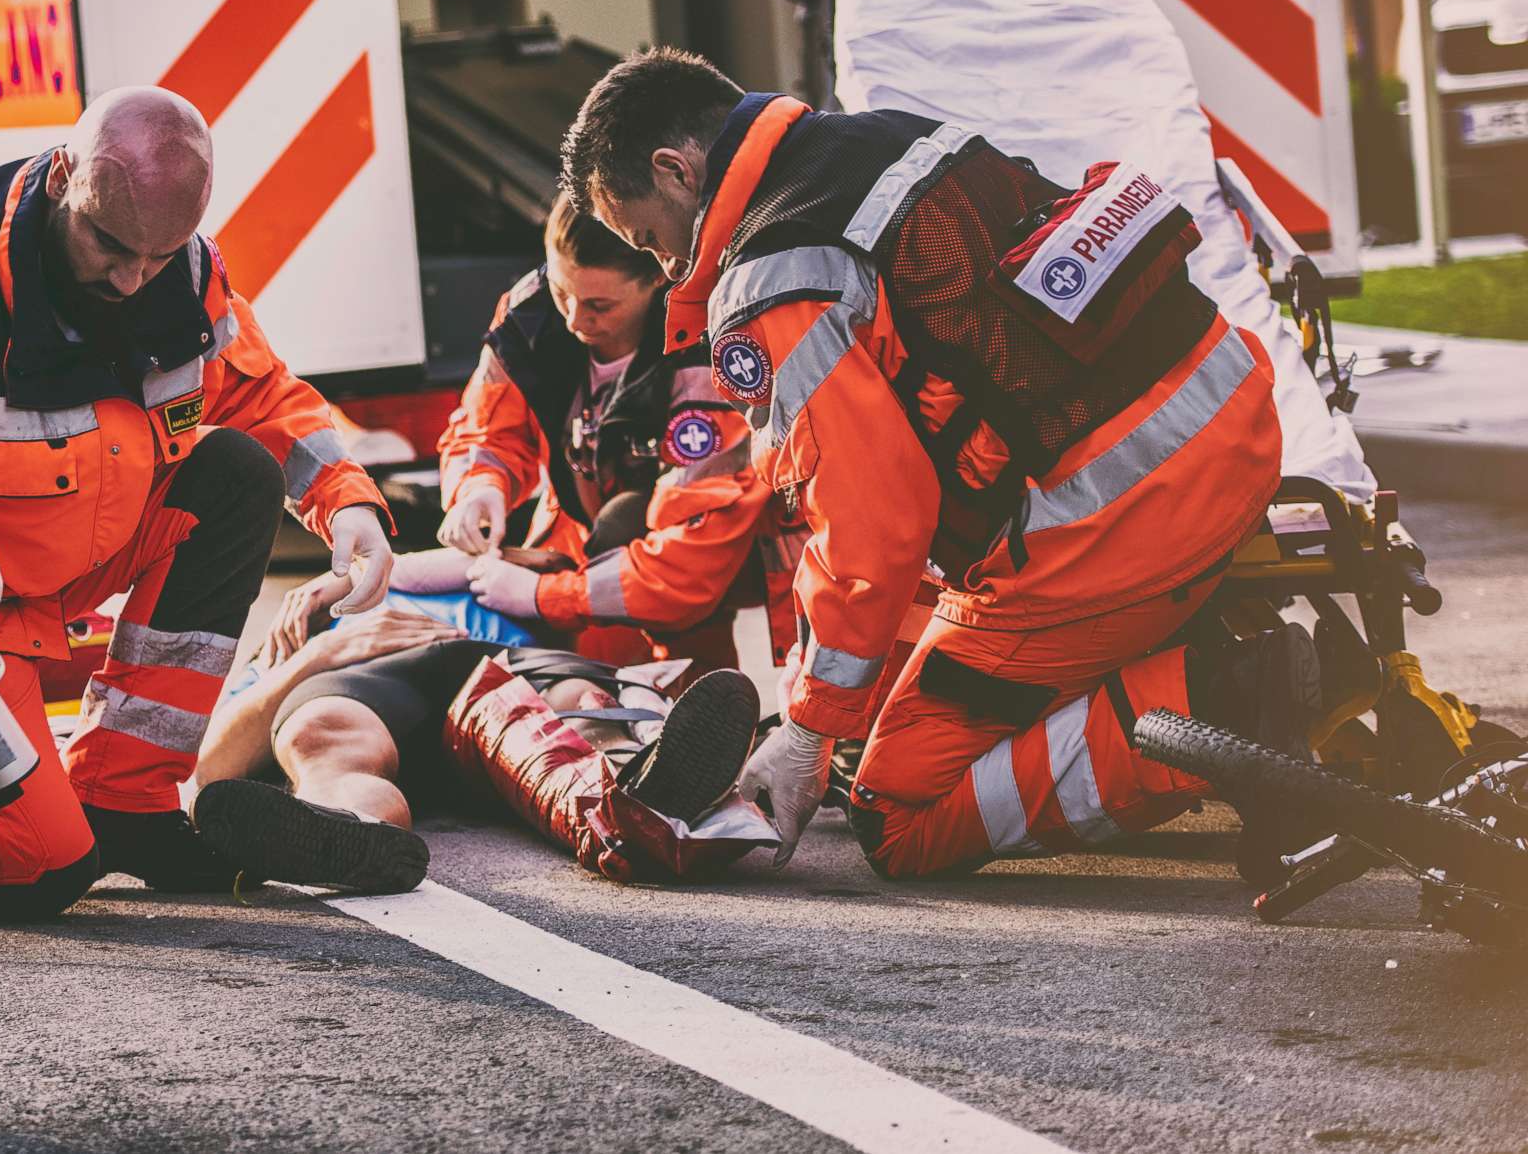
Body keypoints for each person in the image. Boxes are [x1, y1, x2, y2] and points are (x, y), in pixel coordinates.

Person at [557, 48, 1371, 878]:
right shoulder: (896, 139)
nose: (665, 269)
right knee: (901, 675)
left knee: (898, 812)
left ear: (676, 168)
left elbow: (872, 526)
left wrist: (806, 732)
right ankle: (1254, 688)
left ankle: (1234, 701)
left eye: (650, 240)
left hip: (1117, 520)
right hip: (1234, 427)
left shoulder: (772, 278)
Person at [0, 87, 416, 919]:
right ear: (61, 178)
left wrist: (348, 506)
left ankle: (125, 796)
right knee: (30, 865)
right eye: (110, 245)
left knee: (232, 474)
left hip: (26, 580)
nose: (131, 279)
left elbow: (261, 398)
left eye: (158, 256)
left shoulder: (181, 274)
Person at [430, 193, 803, 679]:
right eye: (563, 292)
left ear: (656, 277)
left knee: (686, 691)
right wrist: (478, 489)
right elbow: (486, 427)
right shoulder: (530, 315)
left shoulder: (710, 356)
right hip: (586, 527)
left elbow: (690, 561)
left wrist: (546, 597)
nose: (574, 319)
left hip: (716, 552)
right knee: (582, 690)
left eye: (599, 305)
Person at [192, 574, 761, 881]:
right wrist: (320, 652)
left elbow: (509, 557)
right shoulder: (295, 639)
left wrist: (343, 579)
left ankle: (640, 791)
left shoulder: (438, 574)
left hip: (497, 660)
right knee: (322, 733)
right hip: (362, 679)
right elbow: (209, 767)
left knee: (577, 708)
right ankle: (349, 834)